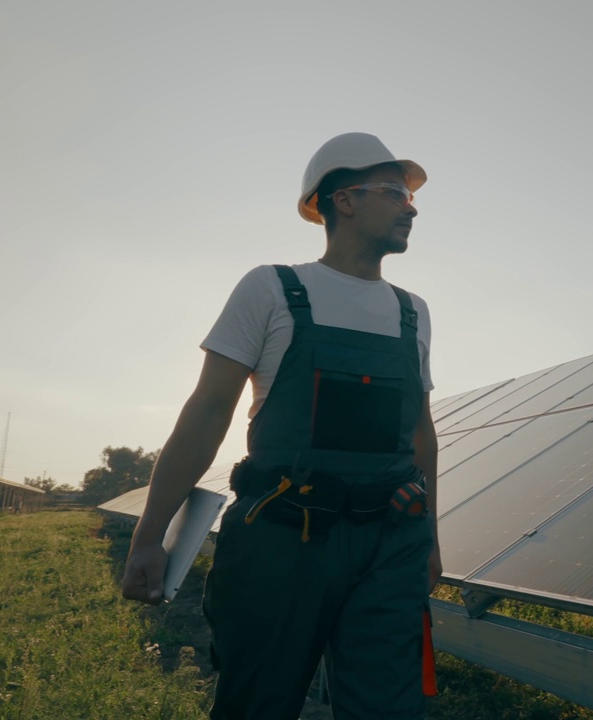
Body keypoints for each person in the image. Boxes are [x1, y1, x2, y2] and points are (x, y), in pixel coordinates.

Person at [121, 132, 441, 720]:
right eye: (395, 192)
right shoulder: (272, 288)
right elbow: (208, 411)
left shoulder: (411, 311)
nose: (411, 207)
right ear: (342, 200)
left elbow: (421, 432)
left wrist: (431, 539)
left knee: (390, 709)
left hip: (390, 543)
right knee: (258, 703)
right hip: (283, 539)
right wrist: (149, 535)